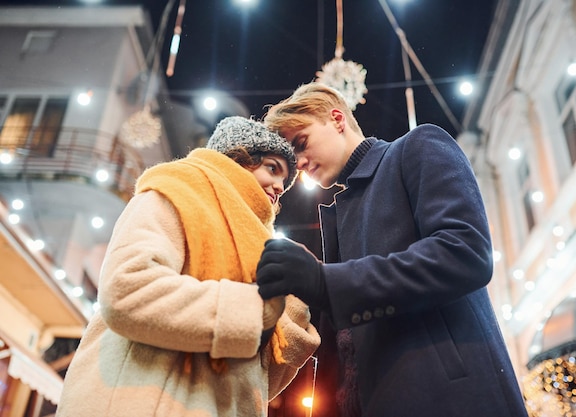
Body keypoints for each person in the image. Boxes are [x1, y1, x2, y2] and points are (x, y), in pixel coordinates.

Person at [256, 82, 529, 417]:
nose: (298, 162)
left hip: (446, 399)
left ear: (337, 119)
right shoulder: (339, 214)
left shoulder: (417, 146)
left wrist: (326, 282)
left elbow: (465, 252)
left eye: (301, 143)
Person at [56, 116, 321, 417]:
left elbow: (256, 384)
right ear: (238, 158)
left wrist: (293, 306)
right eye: (272, 168)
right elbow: (127, 289)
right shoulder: (175, 192)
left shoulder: (258, 247)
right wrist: (252, 309)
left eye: (284, 182)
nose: (278, 186)